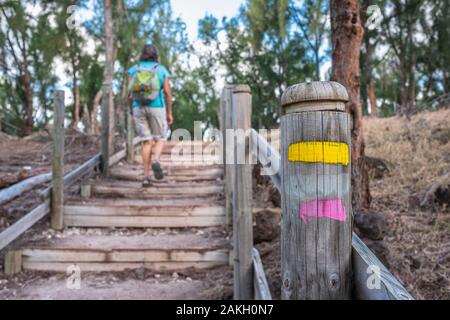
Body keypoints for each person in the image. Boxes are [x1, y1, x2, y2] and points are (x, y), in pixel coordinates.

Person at [128, 44, 173, 187]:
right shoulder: (160, 69)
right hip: (156, 107)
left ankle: (146, 177)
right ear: (155, 55)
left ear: (142, 54)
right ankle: (156, 160)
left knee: (146, 142)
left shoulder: (134, 69)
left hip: (138, 107)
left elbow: (129, 94)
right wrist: (169, 112)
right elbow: (167, 92)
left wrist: (131, 109)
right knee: (160, 137)